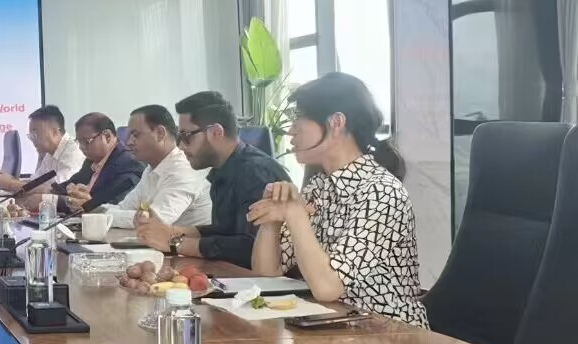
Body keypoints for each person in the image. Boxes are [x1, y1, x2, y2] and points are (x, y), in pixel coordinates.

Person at [249, 73, 426, 326]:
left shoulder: (382, 193)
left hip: (389, 333)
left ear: (336, 123)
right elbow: (266, 274)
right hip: (334, 326)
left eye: (299, 118)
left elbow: (327, 288)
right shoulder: (319, 186)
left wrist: (295, 215)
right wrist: (273, 220)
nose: (290, 130)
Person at [134, 92, 288, 265]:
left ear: (216, 132)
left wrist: (174, 243)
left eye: (186, 136)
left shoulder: (256, 172)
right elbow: (225, 232)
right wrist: (169, 232)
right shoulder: (223, 169)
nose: (181, 146)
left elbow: (249, 247)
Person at [106, 104, 212, 229]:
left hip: (188, 241)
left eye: (136, 135)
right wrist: (96, 211)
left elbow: (154, 221)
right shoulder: (152, 169)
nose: (128, 142)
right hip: (160, 240)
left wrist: (103, 216)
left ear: (160, 133)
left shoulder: (184, 169)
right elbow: (124, 208)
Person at [59, 112, 145, 214]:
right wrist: (55, 191)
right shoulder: (91, 161)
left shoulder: (128, 165)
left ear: (107, 136)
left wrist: (89, 205)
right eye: (79, 142)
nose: (81, 147)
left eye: (87, 141)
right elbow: (69, 184)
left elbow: (117, 207)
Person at [0, 105, 85, 196]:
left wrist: (10, 184)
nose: (32, 140)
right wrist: (10, 180)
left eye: (35, 135)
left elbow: (56, 191)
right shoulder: (49, 153)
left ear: (55, 132)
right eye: (30, 136)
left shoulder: (74, 153)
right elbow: (34, 183)